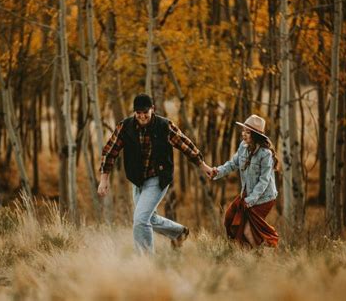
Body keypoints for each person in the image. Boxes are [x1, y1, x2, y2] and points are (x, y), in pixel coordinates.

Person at [98, 94, 215, 254]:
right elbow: (110, 151)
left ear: (152, 109)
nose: (142, 116)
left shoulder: (164, 126)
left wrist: (204, 166)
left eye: (145, 112)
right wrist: (104, 179)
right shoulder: (125, 127)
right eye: (138, 113)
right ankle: (178, 233)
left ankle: (145, 262)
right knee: (148, 218)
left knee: (140, 220)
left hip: (158, 178)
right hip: (137, 179)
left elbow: (185, 145)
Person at [211, 114, 279, 248]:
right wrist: (217, 172)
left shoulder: (265, 154)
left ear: (256, 135)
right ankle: (245, 251)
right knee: (229, 217)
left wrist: (250, 200)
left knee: (248, 230)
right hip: (247, 195)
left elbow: (264, 181)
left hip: (264, 198)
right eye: (243, 131)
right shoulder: (243, 146)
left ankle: (260, 256)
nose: (244, 134)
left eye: (248, 132)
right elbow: (232, 164)